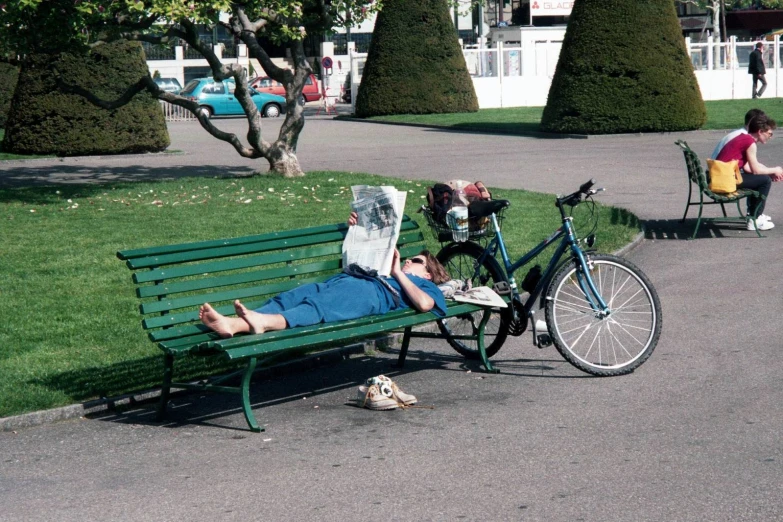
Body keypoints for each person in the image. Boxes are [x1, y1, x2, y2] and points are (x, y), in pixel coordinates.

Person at [199, 213, 451, 338]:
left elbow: (425, 305)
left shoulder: (424, 287)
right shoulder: (397, 273)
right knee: (292, 296)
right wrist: (358, 228)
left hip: (371, 294)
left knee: (317, 307)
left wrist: (397, 270)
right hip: (351, 280)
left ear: (428, 274)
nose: (409, 260)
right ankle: (240, 322)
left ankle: (248, 324)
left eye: (416, 261)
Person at [715, 114, 783, 231]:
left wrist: (769, 172)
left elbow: (748, 167)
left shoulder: (744, 138)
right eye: (769, 133)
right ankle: (755, 219)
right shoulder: (750, 143)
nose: (770, 137)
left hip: (720, 176)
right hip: (724, 180)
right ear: (760, 131)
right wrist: (775, 170)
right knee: (764, 181)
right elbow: (756, 170)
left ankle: (753, 215)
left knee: (760, 178)